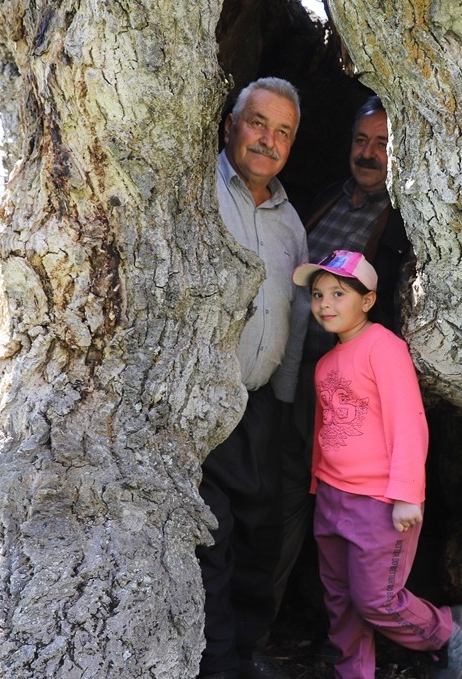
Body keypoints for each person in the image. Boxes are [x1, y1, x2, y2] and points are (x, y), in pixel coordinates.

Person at [290, 250, 462, 679]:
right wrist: (318, 484)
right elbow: (326, 428)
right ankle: (354, 673)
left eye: (338, 293)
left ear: (368, 300)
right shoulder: (326, 363)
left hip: (379, 500)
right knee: (339, 597)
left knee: (377, 599)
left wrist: (407, 493)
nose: (325, 304)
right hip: (332, 495)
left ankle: (445, 630)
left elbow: (408, 421)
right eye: (318, 295)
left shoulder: (384, 348)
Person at [272, 95, 414, 619]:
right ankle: (283, 611)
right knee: (289, 492)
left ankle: (353, 614)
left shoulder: (404, 218)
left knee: (346, 509)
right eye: (361, 140)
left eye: (383, 144)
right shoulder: (328, 197)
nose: (369, 153)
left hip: (353, 389)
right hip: (292, 371)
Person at [199, 77, 309, 679]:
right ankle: (218, 667)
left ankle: (243, 655)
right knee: (210, 541)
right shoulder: (202, 193)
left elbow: (297, 316)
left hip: (263, 407)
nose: (268, 140)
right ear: (230, 126)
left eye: (283, 132)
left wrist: (285, 405)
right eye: (258, 123)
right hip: (204, 405)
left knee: (257, 541)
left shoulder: (290, 222)